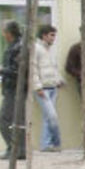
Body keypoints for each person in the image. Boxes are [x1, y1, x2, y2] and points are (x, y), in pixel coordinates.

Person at [0, 20, 25, 160]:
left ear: (9, 33)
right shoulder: (14, 46)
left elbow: (18, 71)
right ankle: (19, 150)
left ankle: (14, 149)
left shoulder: (18, 47)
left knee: (4, 119)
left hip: (15, 88)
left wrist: (0, 70)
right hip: (12, 88)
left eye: (4, 31)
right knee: (17, 120)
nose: (2, 34)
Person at [32, 24, 63, 152]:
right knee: (52, 116)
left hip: (52, 87)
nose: (53, 38)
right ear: (44, 35)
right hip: (43, 88)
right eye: (51, 35)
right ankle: (53, 143)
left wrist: (59, 80)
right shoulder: (36, 48)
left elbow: (53, 68)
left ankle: (48, 144)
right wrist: (37, 86)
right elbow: (33, 69)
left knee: (48, 117)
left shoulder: (50, 50)